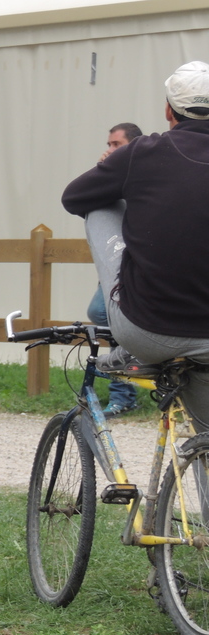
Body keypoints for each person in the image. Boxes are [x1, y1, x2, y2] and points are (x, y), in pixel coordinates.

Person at [63, 61, 209, 432]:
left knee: (98, 203)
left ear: (168, 110)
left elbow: (74, 197)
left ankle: (129, 345)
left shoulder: (143, 152)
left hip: (146, 331)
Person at [86, 122, 142, 418]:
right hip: (116, 262)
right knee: (102, 314)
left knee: (110, 316)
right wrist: (102, 169)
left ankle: (124, 394)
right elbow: (87, 200)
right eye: (108, 144)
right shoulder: (113, 174)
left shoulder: (146, 173)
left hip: (140, 264)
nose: (109, 150)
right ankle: (126, 388)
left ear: (133, 145)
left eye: (116, 145)